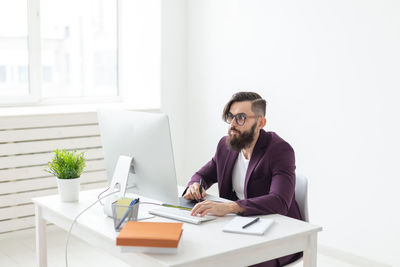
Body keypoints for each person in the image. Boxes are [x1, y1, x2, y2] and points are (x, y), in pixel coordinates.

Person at [183, 92, 303, 267]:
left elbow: (279, 201)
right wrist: (195, 185)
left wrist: (229, 207)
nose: (232, 124)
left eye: (240, 118)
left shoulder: (279, 150)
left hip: (278, 235)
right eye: (231, 117)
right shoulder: (226, 146)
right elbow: (202, 175)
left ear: (260, 122)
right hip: (239, 229)